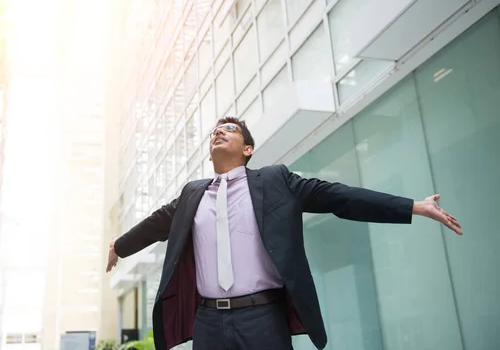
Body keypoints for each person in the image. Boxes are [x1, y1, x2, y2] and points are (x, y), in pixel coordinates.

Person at [106, 117, 462, 350]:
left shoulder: (275, 181)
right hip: (208, 321)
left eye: (229, 128)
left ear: (247, 149)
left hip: (262, 318)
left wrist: (412, 206)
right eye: (215, 129)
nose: (219, 131)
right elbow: (155, 224)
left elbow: (337, 196)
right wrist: (118, 247)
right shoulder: (193, 194)